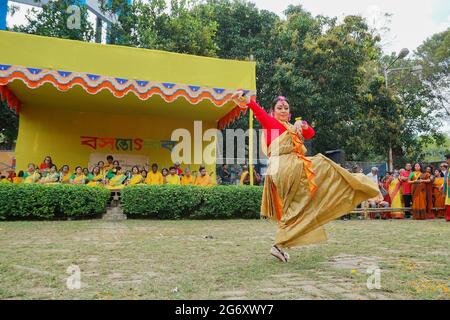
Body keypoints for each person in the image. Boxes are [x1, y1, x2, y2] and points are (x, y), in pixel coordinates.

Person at [232, 91, 379, 262]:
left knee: (296, 208)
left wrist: (304, 125)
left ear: (290, 112)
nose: (283, 110)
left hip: (284, 170)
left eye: (286, 108)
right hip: (287, 166)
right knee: (323, 165)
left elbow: (310, 134)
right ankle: (358, 183)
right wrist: (249, 101)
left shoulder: (290, 127)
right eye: (279, 108)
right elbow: (259, 113)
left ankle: (279, 245)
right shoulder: (272, 124)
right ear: (272, 112)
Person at [444, 154, 450, 221]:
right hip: (448, 188)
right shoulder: (448, 168)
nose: (446, 160)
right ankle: (448, 216)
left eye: (447, 159)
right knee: (448, 202)